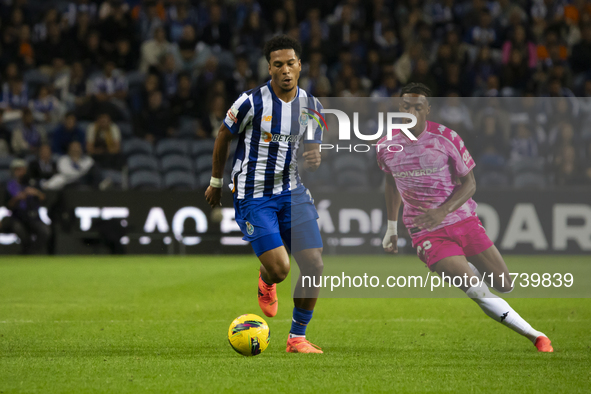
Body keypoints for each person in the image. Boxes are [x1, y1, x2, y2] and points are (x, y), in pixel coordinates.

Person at [377, 83, 553, 352]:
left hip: (462, 220)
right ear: (399, 108)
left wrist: (443, 211)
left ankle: (468, 268)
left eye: (417, 107)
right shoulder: (385, 145)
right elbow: (391, 182)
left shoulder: (446, 138)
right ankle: (536, 336)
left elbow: (469, 183)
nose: (411, 111)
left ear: (427, 110)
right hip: (425, 232)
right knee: (477, 291)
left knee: (504, 284)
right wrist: (391, 226)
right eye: (405, 106)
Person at [205, 35, 325, 354]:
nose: (285, 70)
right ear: (269, 68)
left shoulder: (312, 107)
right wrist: (217, 182)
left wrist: (314, 157)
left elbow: (311, 153)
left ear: (300, 66)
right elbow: (223, 135)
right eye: (278, 64)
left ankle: (296, 338)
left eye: (291, 63)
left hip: (293, 192)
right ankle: (267, 278)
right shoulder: (250, 102)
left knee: (314, 264)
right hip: (253, 194)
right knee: (281, 269)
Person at [1, 159, 51, 254]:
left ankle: (31, 251)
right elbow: (8, 206)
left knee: (45, 231)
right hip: (17, 217)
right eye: (17, 169)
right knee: (19, 230)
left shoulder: (33, 183)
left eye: (21, 169)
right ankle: (26, 251)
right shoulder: (9, 186)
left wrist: (35, 192)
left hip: (33, 217)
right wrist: (17, 198)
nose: (20, 172)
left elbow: (44, 199)